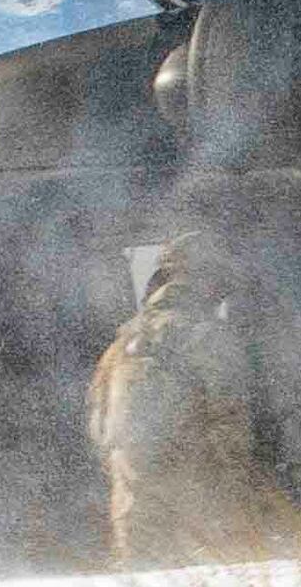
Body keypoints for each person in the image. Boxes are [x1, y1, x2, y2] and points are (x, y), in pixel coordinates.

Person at [86, 237, 282, 567]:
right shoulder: (207, 337)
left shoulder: (122, 343)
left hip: (133, 498)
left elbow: (98, 423)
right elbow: (231, 424)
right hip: (197, 495)